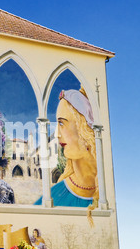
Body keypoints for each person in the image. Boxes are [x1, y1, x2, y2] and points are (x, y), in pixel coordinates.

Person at [35, 88, 98, 223]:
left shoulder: (105, 192)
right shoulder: (54, 196)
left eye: (62, 123)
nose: (57, 134)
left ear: (85, 128)